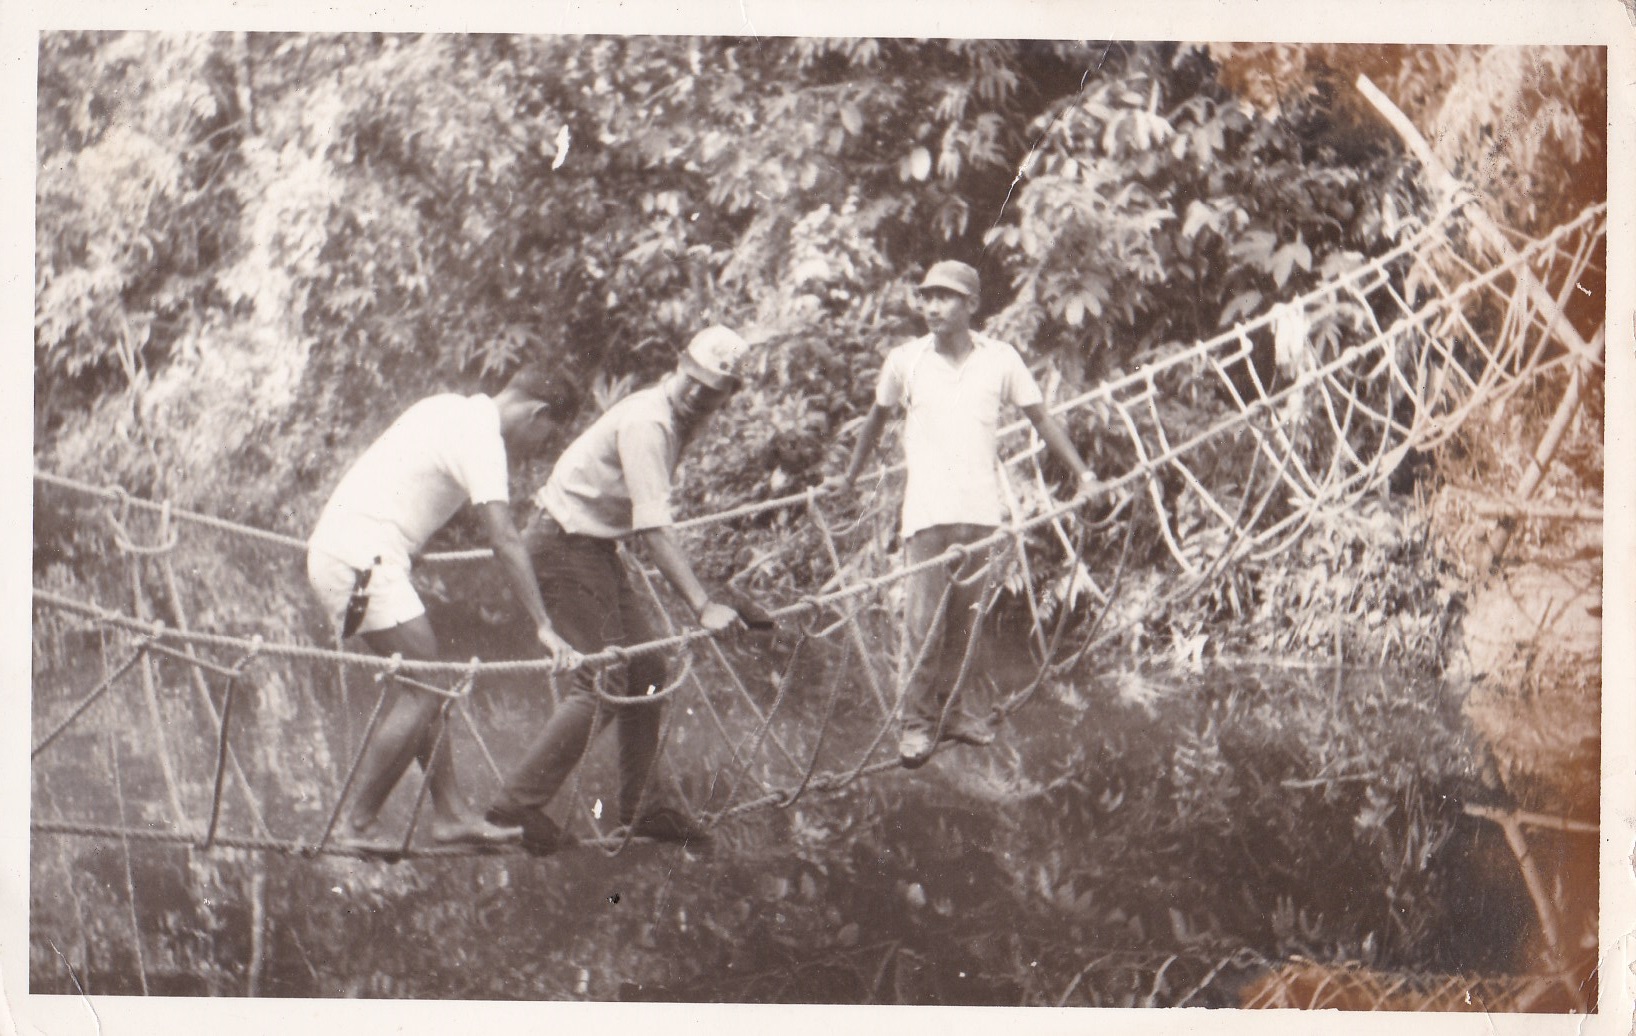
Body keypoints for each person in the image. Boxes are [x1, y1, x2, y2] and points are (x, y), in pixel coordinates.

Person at [489, 326, 751, 852]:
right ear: (679, 365)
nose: (699, 392)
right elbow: (653, 527)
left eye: (713, 387)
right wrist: (701, 605)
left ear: (728, 394)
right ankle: (515, 804)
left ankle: (641, 806)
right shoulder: (650, 421)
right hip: (563, 544)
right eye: (694, 378)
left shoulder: (682, 418)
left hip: (595, 548)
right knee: (603, 677)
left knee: (648, 669)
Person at [831, 260, 1097, 769]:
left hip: (980, 514)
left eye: (945, 297)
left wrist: (1084, 475)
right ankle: (914, 724)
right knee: (923, 626)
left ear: (972, 305)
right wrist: (848, 477)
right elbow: (876, 418)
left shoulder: (1001, 360)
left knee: (964, 626)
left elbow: (1040, 418)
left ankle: (950, 715)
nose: (932, 307)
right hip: (928, 515)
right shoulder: (905, 361)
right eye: (927, 296)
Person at [306, 366, 577, 849]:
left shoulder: (447, 408)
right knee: (425, 690)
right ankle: (357, 825)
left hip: (351, 550)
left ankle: (451, 813)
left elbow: (400, 483)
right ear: (536, 414)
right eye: (545, 436)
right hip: (361, 559)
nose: (536, 448)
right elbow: (505, 539)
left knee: (424, 685)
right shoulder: (482, 437)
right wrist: (544, 626)